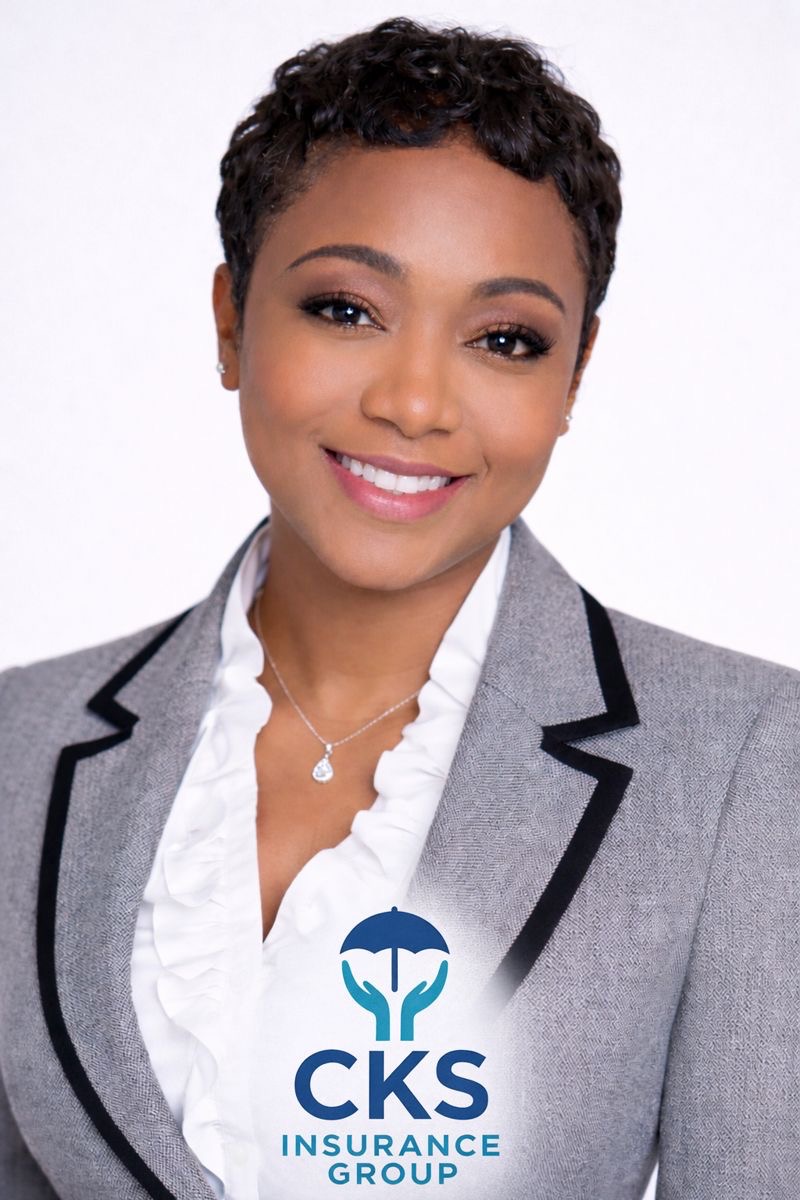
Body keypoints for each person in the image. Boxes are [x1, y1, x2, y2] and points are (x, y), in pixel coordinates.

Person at [1, 14, 797, 1200]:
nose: (415, 402)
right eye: (346, 309)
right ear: (230, 320)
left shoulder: (739, 762)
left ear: (573, 377)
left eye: (504, 339)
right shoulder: (20, 743)